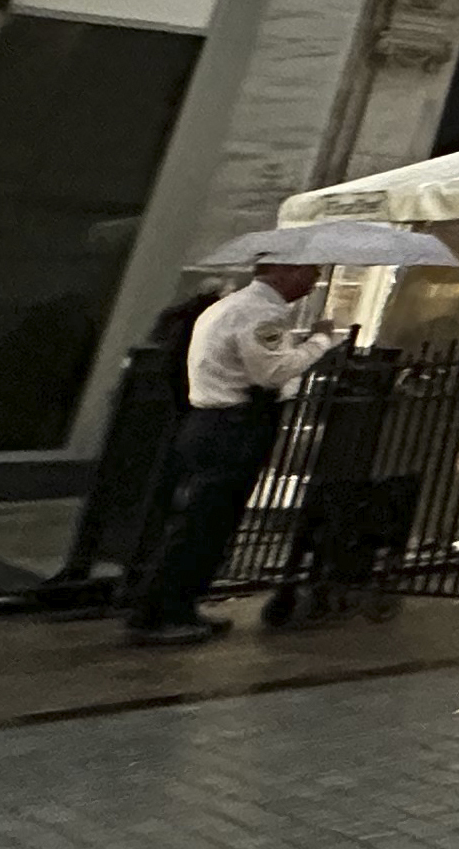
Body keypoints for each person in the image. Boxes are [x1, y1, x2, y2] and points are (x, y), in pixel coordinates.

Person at [125, 260, 340, 645]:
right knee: (204, 523)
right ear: (283, 272)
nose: (314, 282)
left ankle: (176, 606)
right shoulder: (261, 313)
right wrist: (321, 341)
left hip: (208, 421)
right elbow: (272, 373)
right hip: (234, 424)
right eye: (310, 272)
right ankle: (162, 612)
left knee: (201, 520)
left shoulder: (229, 307)